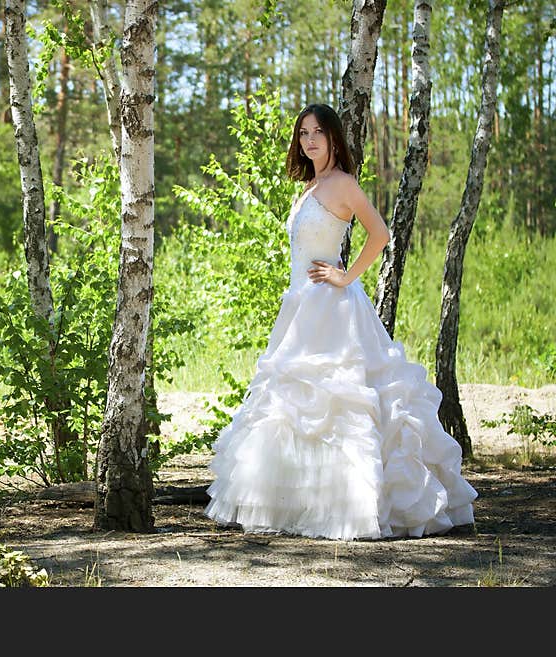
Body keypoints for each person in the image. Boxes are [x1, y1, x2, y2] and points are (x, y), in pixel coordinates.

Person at [204, 103, 478, 541]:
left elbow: (380, 234)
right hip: (299, 308)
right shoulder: (309, 188)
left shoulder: (343, 184)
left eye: (318, 132)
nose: (309, 140)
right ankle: (297, 507)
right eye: (303, 133)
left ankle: (354, 508)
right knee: (290, 407)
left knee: (341, 402)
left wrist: (345, 275)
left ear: (333, 138)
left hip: (333, 307)